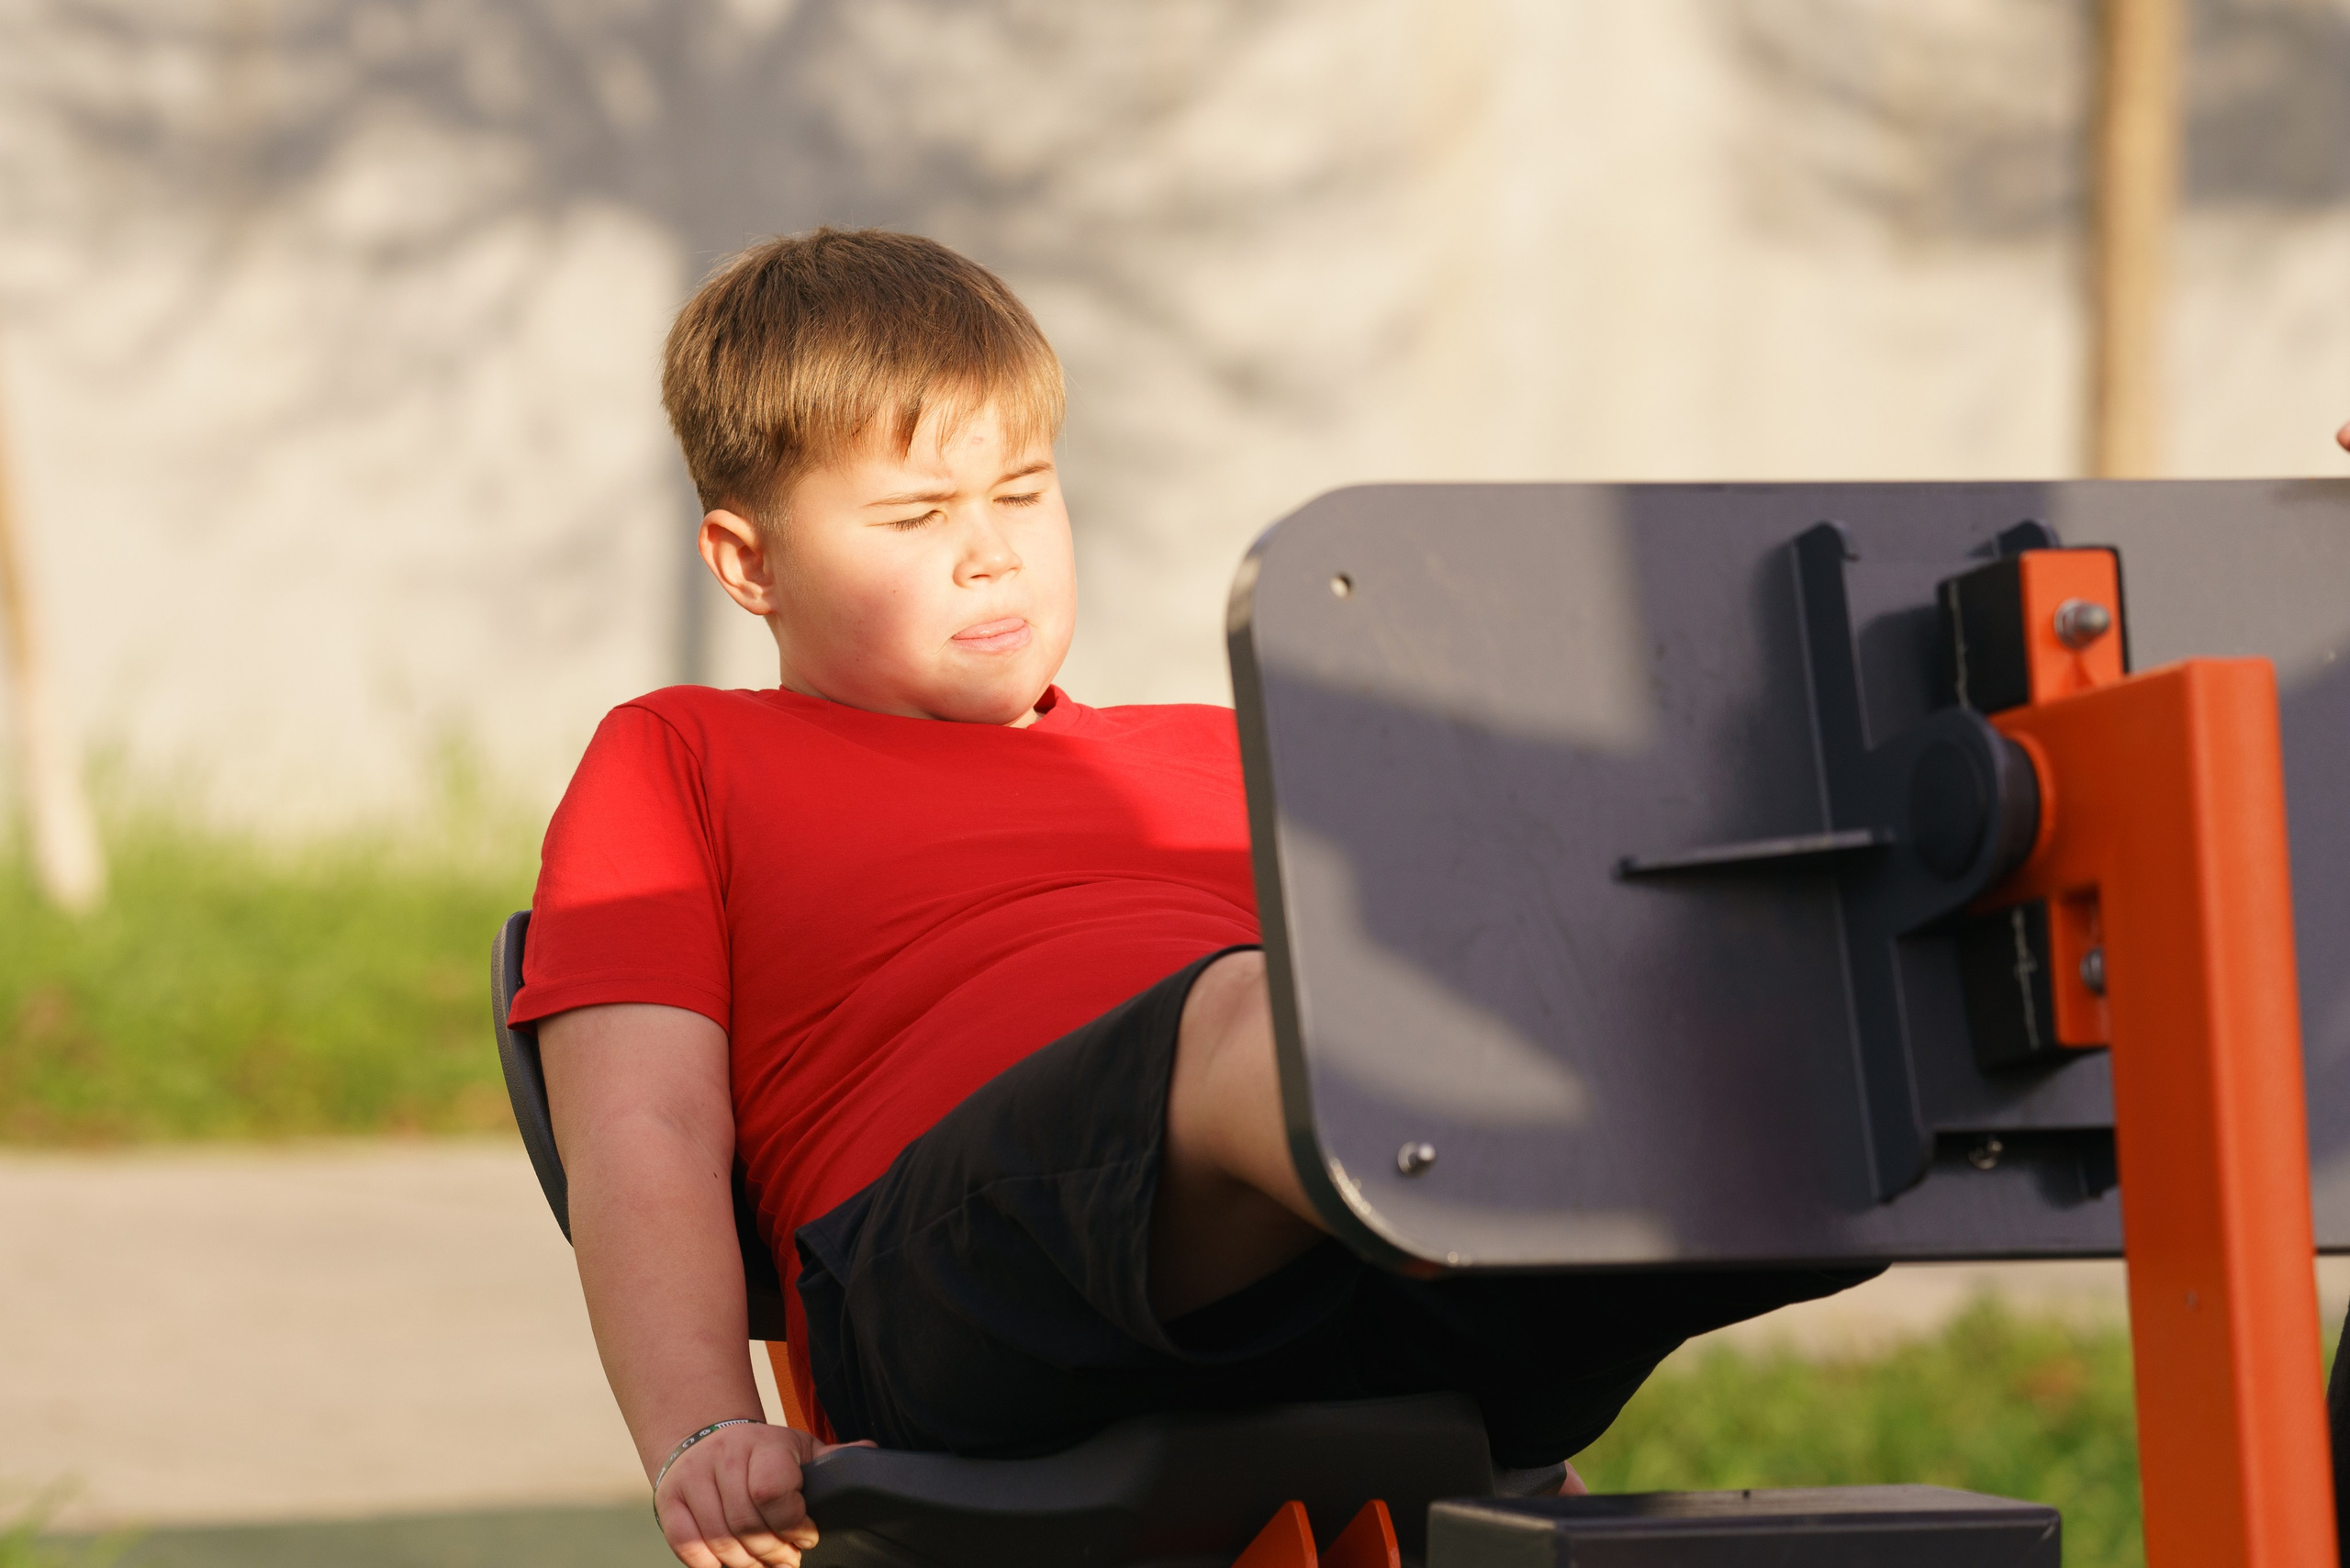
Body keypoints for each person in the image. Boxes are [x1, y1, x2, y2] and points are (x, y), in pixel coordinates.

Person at [510, 228, 1875, 1568]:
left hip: (1345, 1262)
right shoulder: (681, 754)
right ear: (748, 564)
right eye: (917, 517)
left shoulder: (1215, 750)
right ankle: (1572, 1162)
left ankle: (1809, 1125)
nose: (990, 554)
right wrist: (702, 1427)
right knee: (1265, 1018)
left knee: (1782, 1034)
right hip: (948, 1282)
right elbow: (645, 1122)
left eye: (1024, 492)